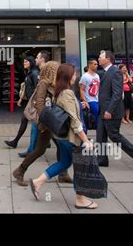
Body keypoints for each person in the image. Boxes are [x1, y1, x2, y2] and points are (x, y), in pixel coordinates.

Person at [29, 63, 99, 209]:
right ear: (68, 76)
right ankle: (80, 199)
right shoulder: (67, 93)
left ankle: (37, 182)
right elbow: (74, 120)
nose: (76, 76)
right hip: (71, 138)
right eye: (74, 74)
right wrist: (85, 140)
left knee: (65, 163)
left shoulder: (60, 91)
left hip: (61, 137)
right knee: (81, 167)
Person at [12, 61, 67, 186]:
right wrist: (43, 122)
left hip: (52, 121)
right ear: (52, 70)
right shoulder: (43, 83)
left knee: (49, 147)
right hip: (47, 122)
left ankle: (63, 174)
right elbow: (39, 103)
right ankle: (20, 171)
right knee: (41, 149)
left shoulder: (54, 84)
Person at [96, 51, 133, 170]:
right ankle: (101, 160)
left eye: (100, 57)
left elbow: (117, 94)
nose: (98, 59)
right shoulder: (106, 72)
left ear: (108, 59)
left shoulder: (115, 72)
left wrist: (109, 110)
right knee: (100, 136)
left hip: (111, 111)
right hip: (103, 110)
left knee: (114, 136)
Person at [4, 56, 39, 154]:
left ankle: (16, 142)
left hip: (34, 102)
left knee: (28, 121)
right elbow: (25, 87)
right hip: (30, 101)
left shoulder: (35, 73)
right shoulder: (29, 73)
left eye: (26, 61)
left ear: (31, 62)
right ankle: (47, 141)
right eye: (24, 61)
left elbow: (38, 88)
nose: (24, 63)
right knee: (36, 122)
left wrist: (36, 102)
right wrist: (21, 99)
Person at [79, 59, 100, 130]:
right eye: (95, 64)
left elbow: (98, 88)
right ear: (89, 65)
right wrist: (84, 101)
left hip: (97, 100)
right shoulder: (85, 76)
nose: (97, 65)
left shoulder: (97, 76)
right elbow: (81, 89)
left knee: (98, 120)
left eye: (97, 64)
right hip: (90, 101)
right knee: (92, 119)